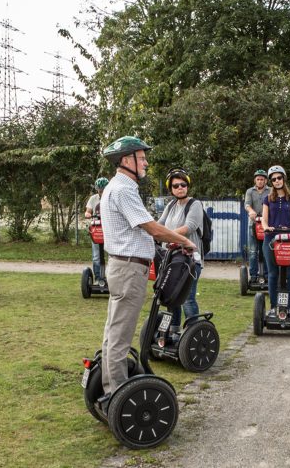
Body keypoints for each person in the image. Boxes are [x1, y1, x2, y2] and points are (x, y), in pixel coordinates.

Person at [98, 136, 196, 404]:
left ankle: (110, 387)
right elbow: (151, 227)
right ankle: (116, 394)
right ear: (127, 160)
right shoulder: (123, 189)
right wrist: (184, 241)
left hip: (124, 267)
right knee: (119, 336)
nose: (146, 162)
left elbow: (145, 230)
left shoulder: (118, 187)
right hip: (128, 270)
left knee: (112, 332)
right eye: (142, 158)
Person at [158, 168, 205, 340]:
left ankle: (194, 334)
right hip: (171, 259)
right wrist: (150, 232)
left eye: (183, 184)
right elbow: (160, 224)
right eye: (175, 185)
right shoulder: (170, 205)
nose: (180, 188)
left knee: (187, 299)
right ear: (170, 189)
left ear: (188, 185)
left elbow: (189, 227)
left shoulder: (195, 204)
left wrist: (165, 235)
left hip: (190, 260)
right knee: (172, 297)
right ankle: (175, 331)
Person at [261, 165, 290, 318]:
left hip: (289, 239)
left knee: (289, 274)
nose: (277, 181)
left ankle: (289, 308)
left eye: (279, 178)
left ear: (283, 178)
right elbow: (264, 219)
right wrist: (266, 227)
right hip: (271, 239)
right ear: (271, 182)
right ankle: (273, 307)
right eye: (273, 179)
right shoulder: (267, 199)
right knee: (272, 274)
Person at [243, 169, 270, 284]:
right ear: (255, 180)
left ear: (265, 181)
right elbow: (247, 204)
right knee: (253, 252)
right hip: (253, 224)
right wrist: (251, 211)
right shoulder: (250, 191)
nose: (259, 181)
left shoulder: (271, 191)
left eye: (262, 179)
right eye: (258, 179)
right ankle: (253, 276)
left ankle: (268, 276)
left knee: (266, 251)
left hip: (266, 225)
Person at [85, 177, 109, 286]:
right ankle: (99, 278)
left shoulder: (111, 198)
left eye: (103, 189)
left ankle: (110, 277)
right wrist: (88, 214)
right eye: (100, 189)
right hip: (97, 230)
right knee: (96, 256)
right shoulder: (93, 199)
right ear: (97, 189)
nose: (101, 191)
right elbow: (88, 211)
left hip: (109, 230)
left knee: (112, 254)